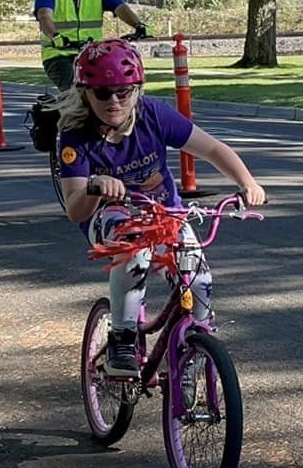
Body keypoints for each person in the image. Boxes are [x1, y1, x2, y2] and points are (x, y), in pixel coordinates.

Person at [58, 38, 266, 378]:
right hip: (108, 216)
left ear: (137, 90)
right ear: (85, 93)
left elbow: (213, 150)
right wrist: (95, 187)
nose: (114, 101)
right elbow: (76, 209)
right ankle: (122, 338)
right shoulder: (75, 135)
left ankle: (193, 357)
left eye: (123, 92)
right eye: (102, 93)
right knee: (135, 249)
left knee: (198, 276)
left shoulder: (153, 115)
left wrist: (248, 183)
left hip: (165, 212)